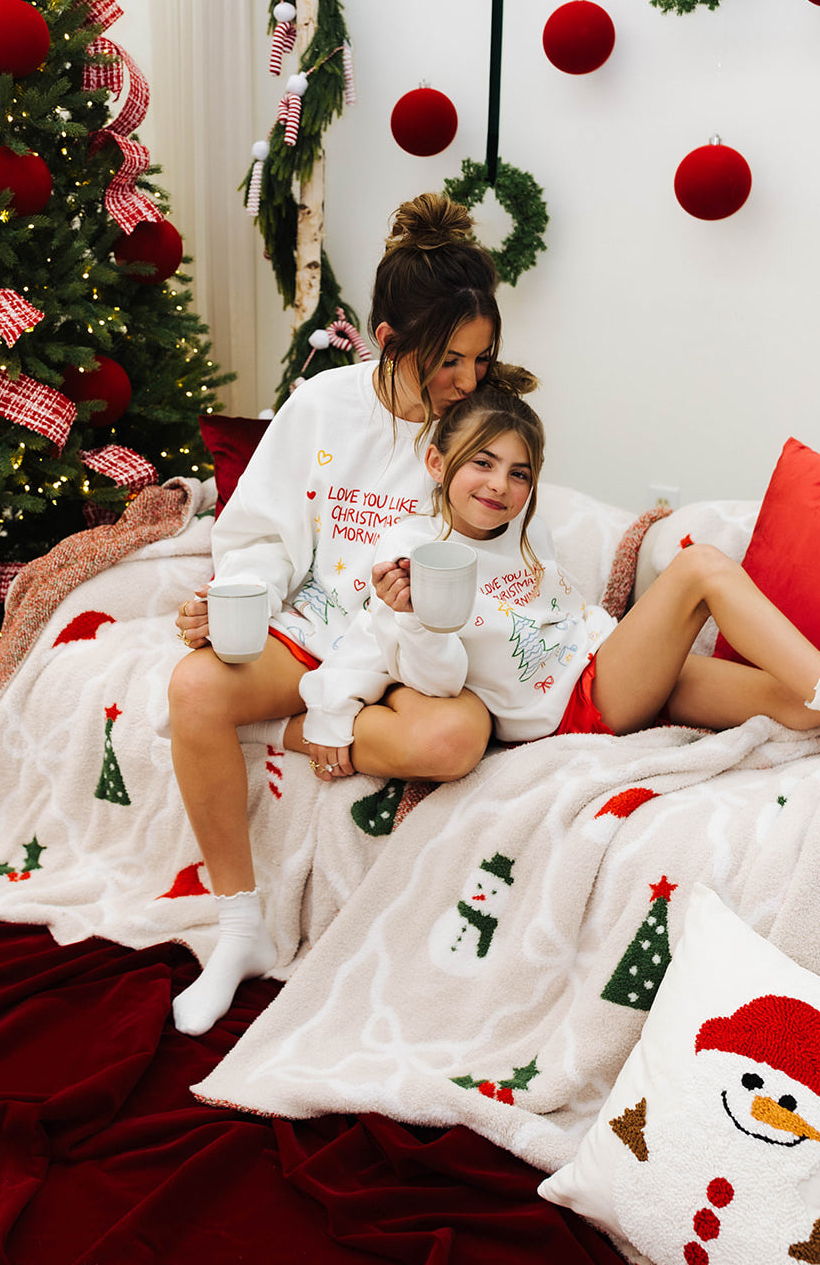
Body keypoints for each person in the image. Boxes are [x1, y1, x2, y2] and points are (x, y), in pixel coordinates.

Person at [167, 193, 538, 1036]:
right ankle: (239, 929)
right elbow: (263, 534)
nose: (466, 381)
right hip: (310, 636)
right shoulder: (323, 407)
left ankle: (272, 732)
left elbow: (511, 548)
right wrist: (239, 606)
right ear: (385, 341)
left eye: (480, 358)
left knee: (448, 742)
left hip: (408, 656)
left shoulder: (482, 430)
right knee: (194, 688)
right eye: (447, 360)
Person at [301, 367, 820, 762]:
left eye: (520, 473)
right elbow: (427, 676)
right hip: (582, 699)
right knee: (701, 568)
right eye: (483, 463)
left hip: (617, 662)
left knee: (801, 702)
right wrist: (410, 626)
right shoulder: (410, 554)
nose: (500, 485)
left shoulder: (523, 529)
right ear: (437, 462)